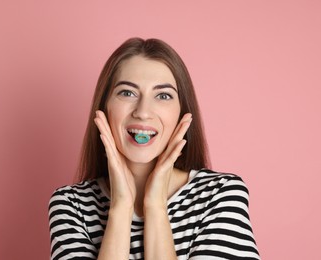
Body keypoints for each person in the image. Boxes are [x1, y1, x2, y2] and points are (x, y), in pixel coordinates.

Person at [48, 37, 260, 260]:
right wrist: (121, 209)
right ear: (104, 106)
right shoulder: (71, 205)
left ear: (182, 113)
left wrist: (156, 208)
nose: (143, 111)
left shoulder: (220, 195)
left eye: (163, 95)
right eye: (127, 93)